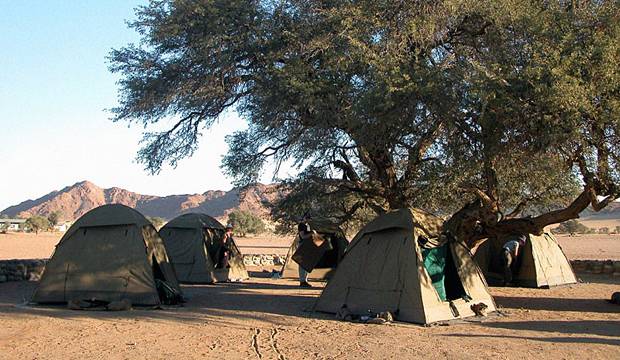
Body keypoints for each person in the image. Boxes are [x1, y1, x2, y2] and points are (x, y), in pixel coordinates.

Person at [297, 215, 313, 288]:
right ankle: (302, 281)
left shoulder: (307, 226)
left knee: (306, 263)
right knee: (302, 264)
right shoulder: (301, 225)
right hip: (302, 245)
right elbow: (303, 236)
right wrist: (312, 233)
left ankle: (305, 280)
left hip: (307, 245)